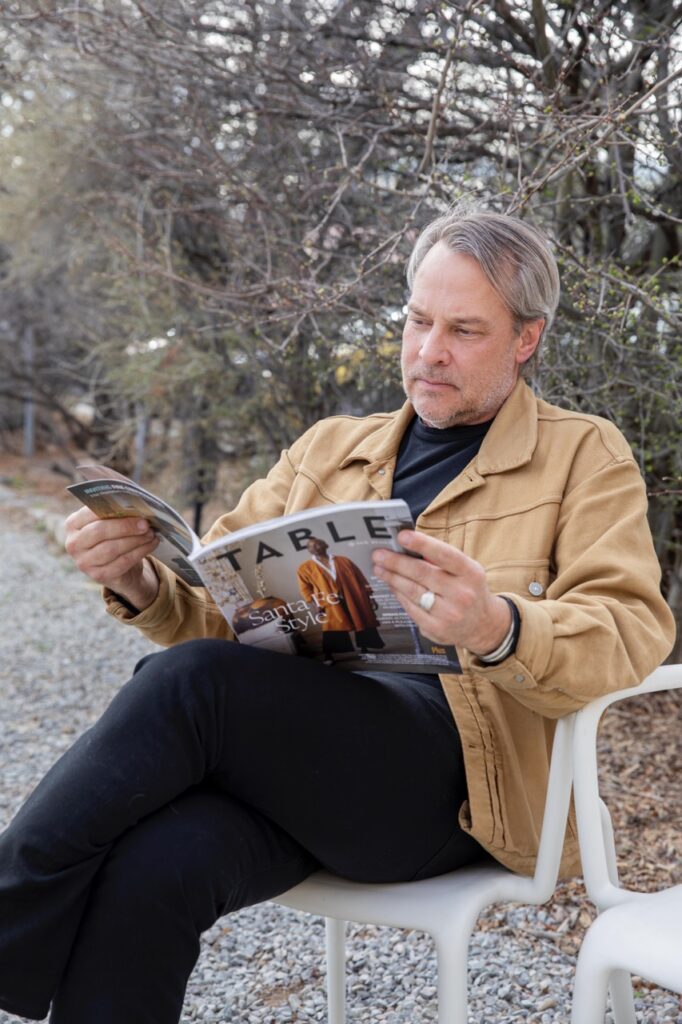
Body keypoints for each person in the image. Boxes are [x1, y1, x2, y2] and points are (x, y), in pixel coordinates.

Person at [0, 209, 674, 1024]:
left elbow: (632, 632)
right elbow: (225, 625)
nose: (429, 351)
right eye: (419, 320)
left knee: (191, 686)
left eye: (464, 330)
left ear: (525, 340)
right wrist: (144, 585)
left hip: (460, 794)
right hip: (309, 766)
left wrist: (497, 625)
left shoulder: (581, 455)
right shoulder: (327, 450)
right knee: (155, 867)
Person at [296, 536, 385, 661]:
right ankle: (329, 655)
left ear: (325, 544)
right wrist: (315, 605)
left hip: (354, 597)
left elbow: (360, 578)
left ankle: (365, 649)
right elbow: (305, 589)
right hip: (328, 602)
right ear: (308, 550)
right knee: (331, 627)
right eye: (310, 546)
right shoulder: (304, 568)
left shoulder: (344, 561)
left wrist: (371, 597)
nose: (314, 548)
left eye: (317, 544)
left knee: (360, 621)